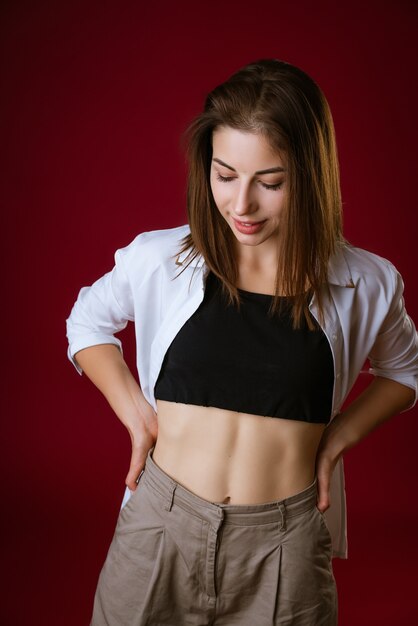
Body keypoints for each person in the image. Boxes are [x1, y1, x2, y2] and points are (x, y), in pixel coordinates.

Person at [66, 59, 418, 625]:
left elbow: (407, 371)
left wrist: (338, 438)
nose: (241, 205)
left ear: (310, 174)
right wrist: (136, 414)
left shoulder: (368, 283)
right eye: (224, 175)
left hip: (286, 544)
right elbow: (86, 322)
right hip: (159, 526)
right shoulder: (160, 258)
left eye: (270, 183)